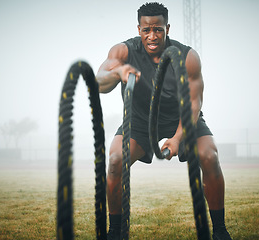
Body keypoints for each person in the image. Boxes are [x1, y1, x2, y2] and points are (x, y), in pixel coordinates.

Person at [96, 2, 232, 240]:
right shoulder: (123, 52)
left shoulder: (187, 57)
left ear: (167, 28)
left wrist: (178, 138)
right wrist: (118, 72)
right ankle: (115, 231)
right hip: (139, 121)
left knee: (210, 156)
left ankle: (220, 230)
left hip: (182, 119)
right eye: (147, 29)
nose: (152, 35)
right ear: (138, 29)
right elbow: (99, 83)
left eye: (158, 29)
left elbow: (193, 104)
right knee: (116, 160)